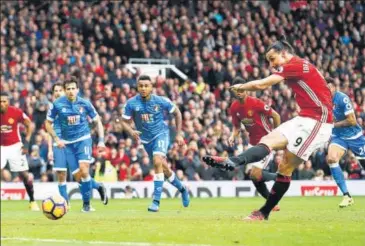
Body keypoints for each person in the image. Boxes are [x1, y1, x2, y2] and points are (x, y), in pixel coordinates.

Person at [203, 36, 334, 221]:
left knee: (285, 167)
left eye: (273, 59)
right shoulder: (301, 66)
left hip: (319, 122)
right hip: (304, 117)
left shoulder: (294, 64)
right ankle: (232, 162)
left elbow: (260, 85)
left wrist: (240, 86)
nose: (272, 65)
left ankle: (264, 212)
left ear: (284, 53)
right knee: (267, 140)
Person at [120, 75, 190, 212]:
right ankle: (182, 189)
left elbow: (177, 113)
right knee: (165, 169)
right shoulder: (131, 103)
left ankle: (156, 202)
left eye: (146, 86)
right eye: (141, 86)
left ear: (151, 87)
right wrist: (131, 130)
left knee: (157, 161)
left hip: (161, 134)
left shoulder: (160, 101)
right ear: (137, 87)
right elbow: (123, 120)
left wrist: (179, 133)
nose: (143, 88)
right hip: (146, 141)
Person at [45, 77, 108, 212]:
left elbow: (98, 121)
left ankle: (86, 205)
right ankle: (98, 186)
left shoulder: (85, 103)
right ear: (65, 90)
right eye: (68, 89)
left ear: (78, 90)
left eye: (73, 88)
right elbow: (47, 124)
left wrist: (101, 141)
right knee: (78, 177)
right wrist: (56, 139)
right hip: (66, 144)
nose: (71, 91)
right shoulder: (57, 105)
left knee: (84, 170)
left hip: (83, 139)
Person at [228, 77, 281, 211]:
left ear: (246, 89)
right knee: (254, 177)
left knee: (254, 173)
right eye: (236, 89)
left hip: (266, 141)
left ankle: (280, 178)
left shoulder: (256, 103)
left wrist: (276, 134)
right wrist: (232, 136)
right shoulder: (234, 107)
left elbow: (276, 116)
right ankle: (272, 201)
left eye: (242, 89)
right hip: (253, 144)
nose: (239, 92)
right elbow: (237, 127)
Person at [326, 77, 365, 207]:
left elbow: (352, 121)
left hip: (355, 137)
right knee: (331, 159)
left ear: (334, 87)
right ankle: (346, 196)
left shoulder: (342, 98)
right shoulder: (323, 100)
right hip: (338, 137)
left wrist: (333, 124)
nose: (327, 89)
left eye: (329, 87)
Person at [0, 92, 39, 211]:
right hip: (1, 147)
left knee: (24, 175)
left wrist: (26, 143)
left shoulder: (16, 112)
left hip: (15, 147)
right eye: (0, 101)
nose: (2, 104)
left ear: (8, 102)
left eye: (4, 101)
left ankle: (32, 201)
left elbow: (29, 125)